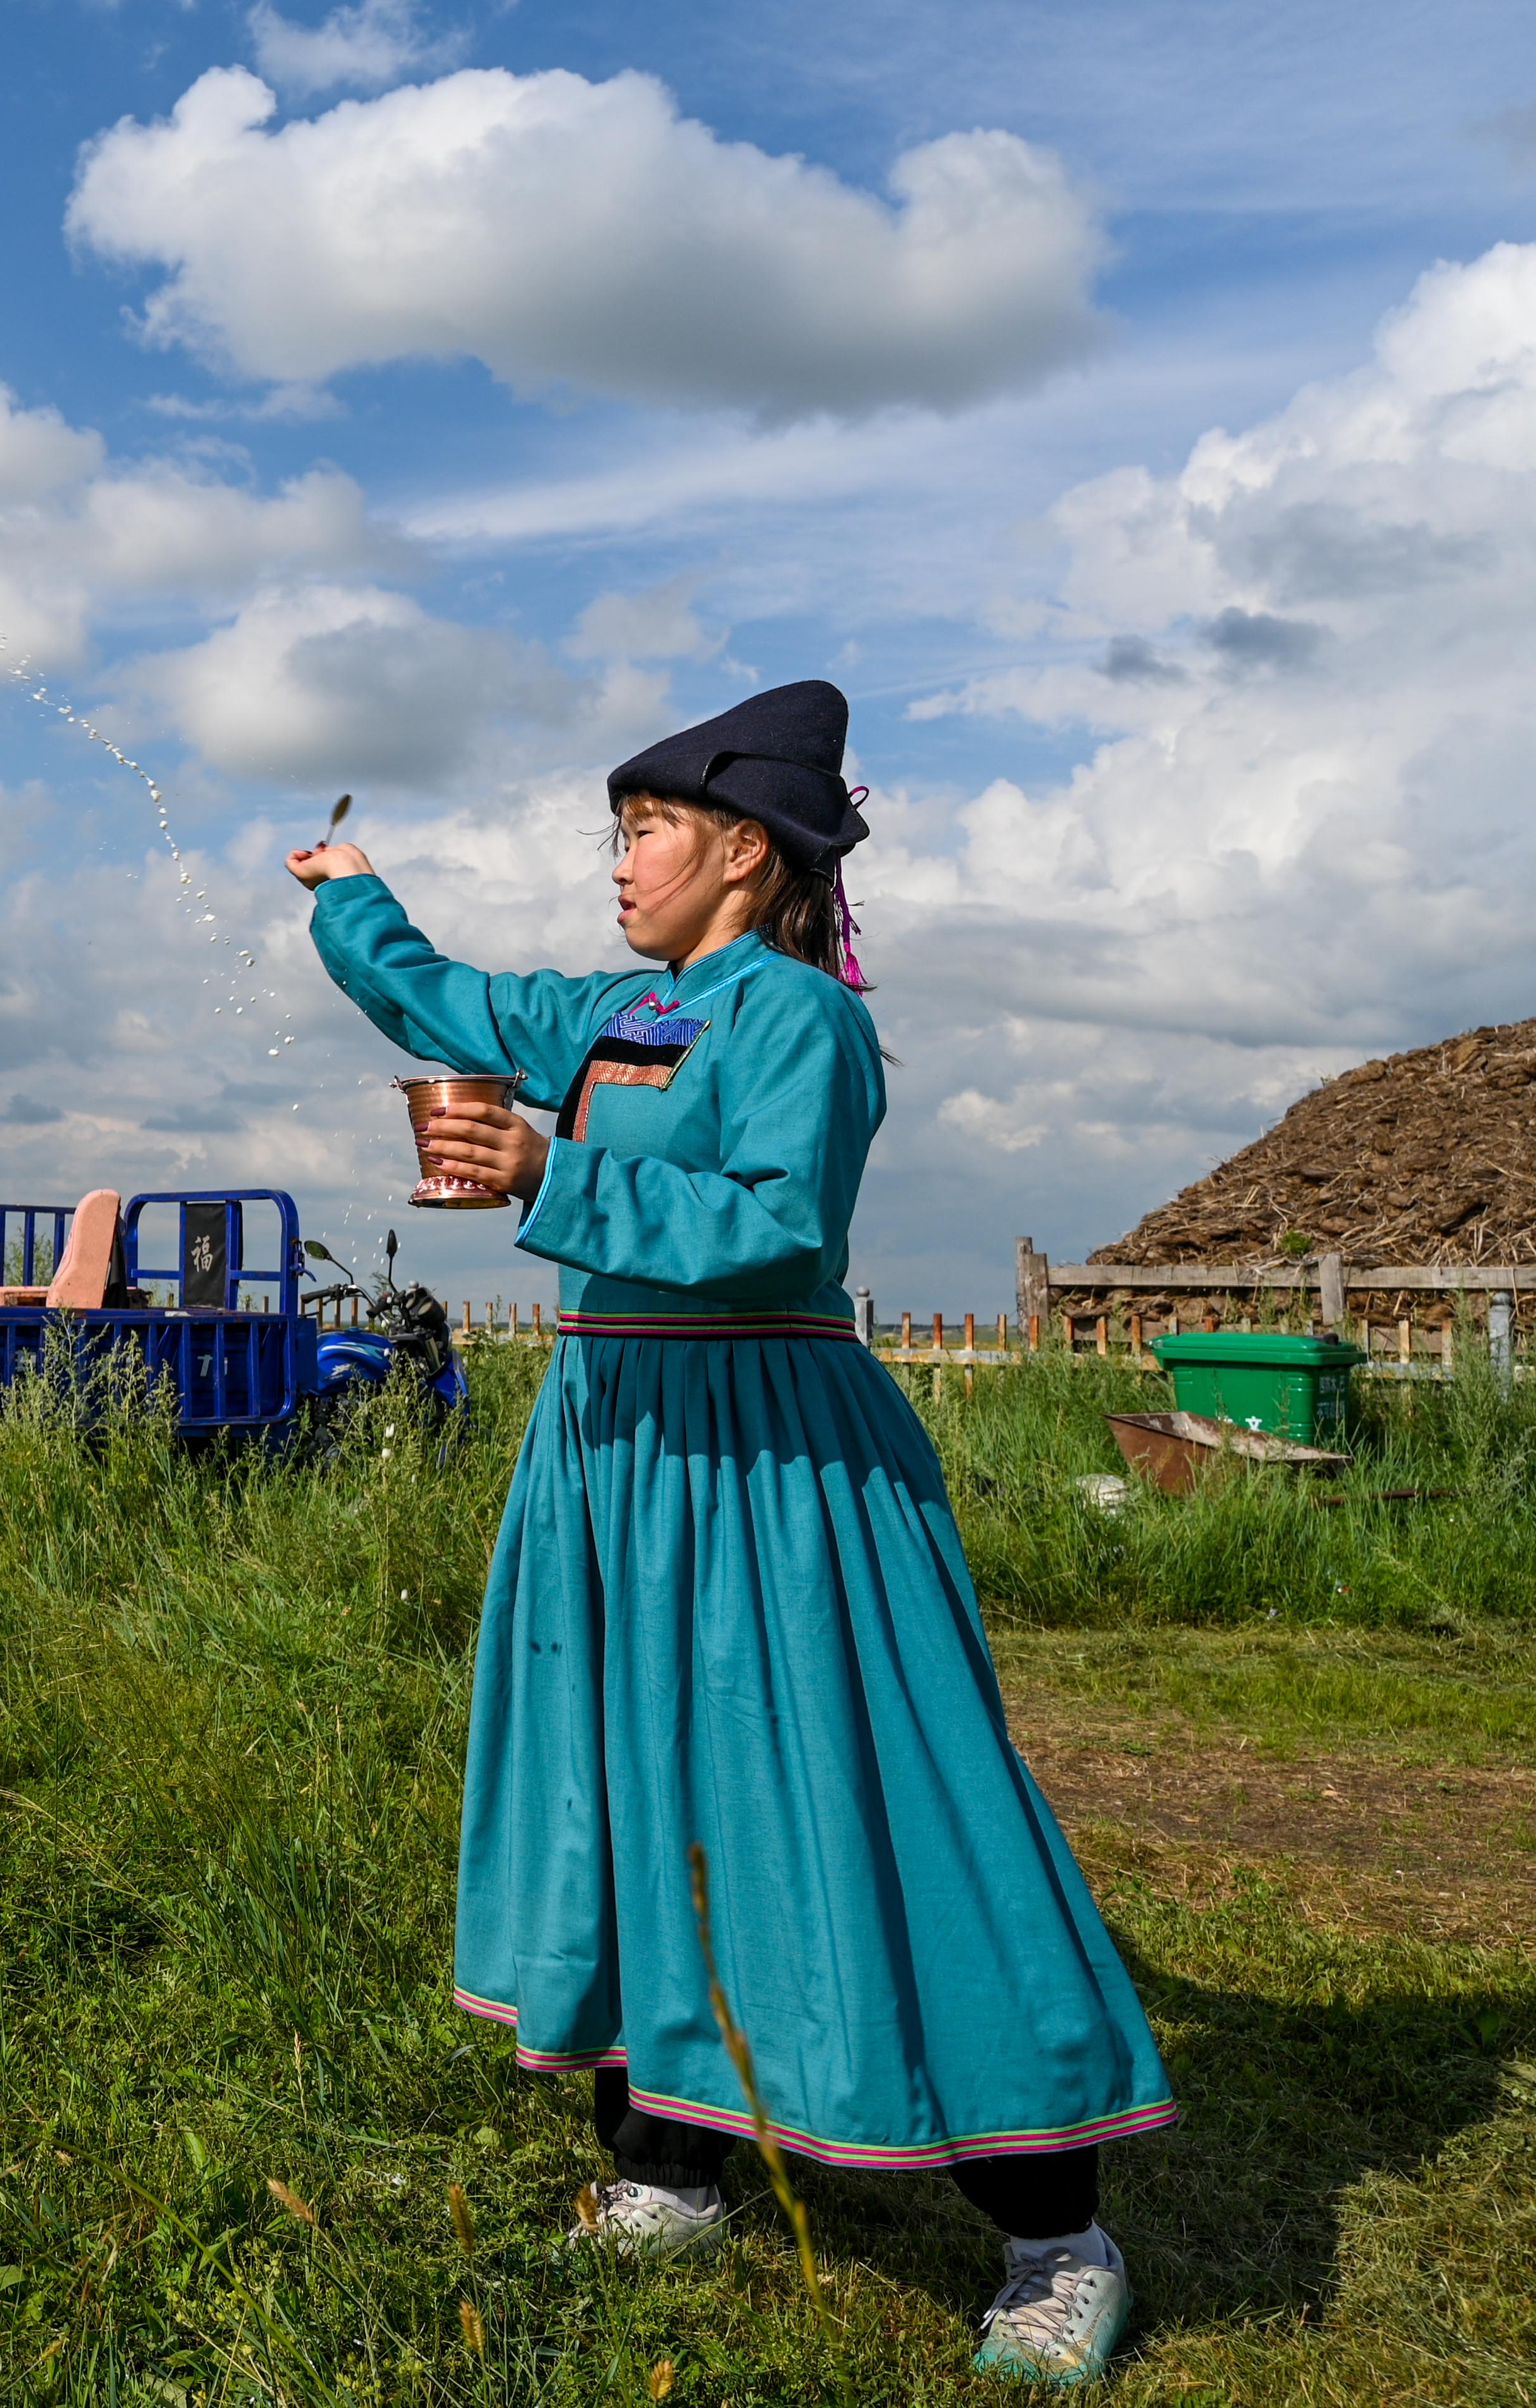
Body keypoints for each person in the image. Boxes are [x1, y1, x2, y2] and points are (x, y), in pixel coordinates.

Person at [285, 680, 1172, 2390]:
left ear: (744, 849)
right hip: (612, 1450)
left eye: (640, 831)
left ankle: (1054, 2233)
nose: (615, 863)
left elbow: (775, 1232)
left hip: (767, 1452)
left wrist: (543, 1178)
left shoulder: (798, 1024)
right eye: (612, 834)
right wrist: (353, 897)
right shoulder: (627, 1011)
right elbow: (449, 997)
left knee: (870, 1795)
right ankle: (669, 2162)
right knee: (630, 1791)